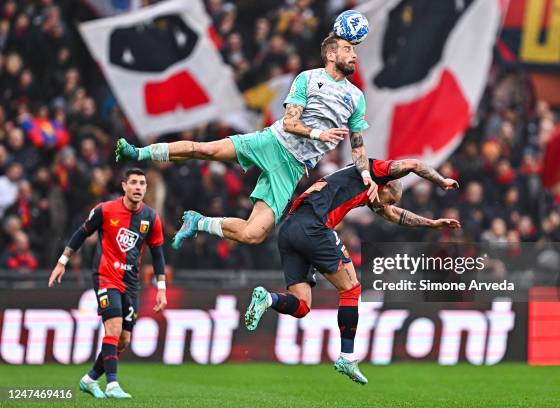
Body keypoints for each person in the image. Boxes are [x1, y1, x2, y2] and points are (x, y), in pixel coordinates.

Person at [115, 33, 377, 248]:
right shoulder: (308, 79)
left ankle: (198, 222)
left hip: (292, 168)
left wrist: (366, 175)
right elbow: (289, 122)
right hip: (272, 142)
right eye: (347, 49)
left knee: (253, 234)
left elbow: (357, 144)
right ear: (331, 54)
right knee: (205, 150)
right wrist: (319, 134)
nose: (354, 55)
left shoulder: (356, 97)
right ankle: (137, 152)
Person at [244, 158, 460, 384]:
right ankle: (347, 356)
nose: (387, 206)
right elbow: (414, 165)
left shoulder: (358, 182)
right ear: (386, 185)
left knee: (302, 306)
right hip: (314, 226)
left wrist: (433, 224)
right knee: (351, 289)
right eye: (390, 200)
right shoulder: (375, 170)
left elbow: (394, 215)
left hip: (289, 229)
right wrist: (441, 180)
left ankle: (267, 299)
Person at [48, 168, 168, 399]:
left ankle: (90, 379)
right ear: (124, 186)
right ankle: (112, 384)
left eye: (142, 183)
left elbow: (158, 254)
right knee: (112, 329)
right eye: (133, 183)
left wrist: (161, 288)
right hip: (105, 276)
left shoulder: (151, 218)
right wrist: (62, 262)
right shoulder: (105, 210)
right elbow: (81, 234)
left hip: (131, 282)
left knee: (124, 339)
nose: (138, 187)